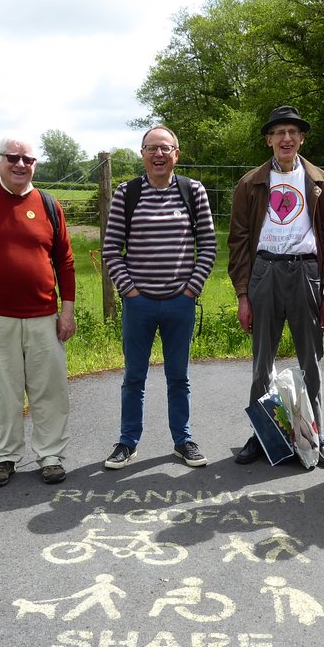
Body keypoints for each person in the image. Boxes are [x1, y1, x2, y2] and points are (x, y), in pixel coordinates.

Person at [0, 136, 76, 487]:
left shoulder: (48, 204)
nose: (21, 164)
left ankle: (50, 455)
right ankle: (5, 456)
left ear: (35, 164)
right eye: (13, 158)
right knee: (3, 390)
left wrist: (67, 311)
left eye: (28, 159)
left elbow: (65, 261)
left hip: (43, 316)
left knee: (50, 390)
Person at [228, 105, 324, 469]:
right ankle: (261, 435)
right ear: (268, 140)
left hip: (306, 273)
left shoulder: (321, 181)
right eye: (279, 133)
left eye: (293, 132)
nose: (286, 138)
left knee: (311, 361)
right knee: (262, 362)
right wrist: (243, 294)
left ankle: (316, 436)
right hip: (265, 272)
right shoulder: (250, 183)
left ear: (302, 138)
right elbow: (238, 242)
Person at [101, 125, 217, 469]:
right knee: (133, 377)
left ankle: (182, 441)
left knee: (178, 376)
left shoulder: (192, 190)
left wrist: (191, 290)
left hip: (180, 302)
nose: (159, 155)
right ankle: (127, 442)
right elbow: (111, 248)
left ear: (176, 155)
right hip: (139, 304)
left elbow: (208, 245)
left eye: (165, 149)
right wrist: (130, 291)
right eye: (151, 148)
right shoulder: (127, 193)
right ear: (142, 154)